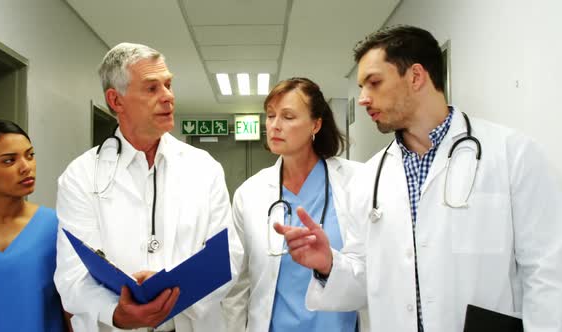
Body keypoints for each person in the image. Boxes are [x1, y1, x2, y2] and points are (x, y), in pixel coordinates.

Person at [275, 26, 562, 332]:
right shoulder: (369, 179)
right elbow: (365, 280)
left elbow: (547, 272)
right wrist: (329, 264)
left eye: (373, 83)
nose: (362, 99)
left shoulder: (512, 155)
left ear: (415, 76)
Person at [54, 42, 242, 332]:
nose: (168, 97)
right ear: (116, 101)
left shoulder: (204, 168)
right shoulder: (80, 176)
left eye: (168, 84)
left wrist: (172, 296)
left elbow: (229, 256)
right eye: (152, 88)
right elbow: (72, 274)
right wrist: (115, 311)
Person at [223, 77, 366, 331]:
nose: (274, 126)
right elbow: (238, 284)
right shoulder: (250, 193)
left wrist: (329, 263)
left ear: (316, 124)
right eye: (270, 115)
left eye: (288, 117)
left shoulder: (357, 182)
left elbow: (372, 269)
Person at [0, 119, 69, 331]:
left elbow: (71, 310)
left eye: (30, 155)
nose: (26, 167)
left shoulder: (57, 227)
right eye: (9, 161)